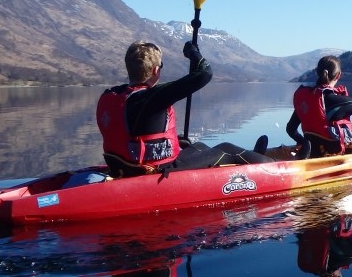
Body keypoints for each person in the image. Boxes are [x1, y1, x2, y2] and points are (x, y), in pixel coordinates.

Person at [96, 38, 273, 178]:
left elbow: (137, 130)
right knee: (226, 149)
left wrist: (174, 140)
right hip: (156, 170)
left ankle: (255, 159)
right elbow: (205, 73)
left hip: (124, 165)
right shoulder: (149, 96)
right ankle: (274, 168)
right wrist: (193, 52)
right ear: (156, 70)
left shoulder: (112, 95)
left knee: (199, 145)